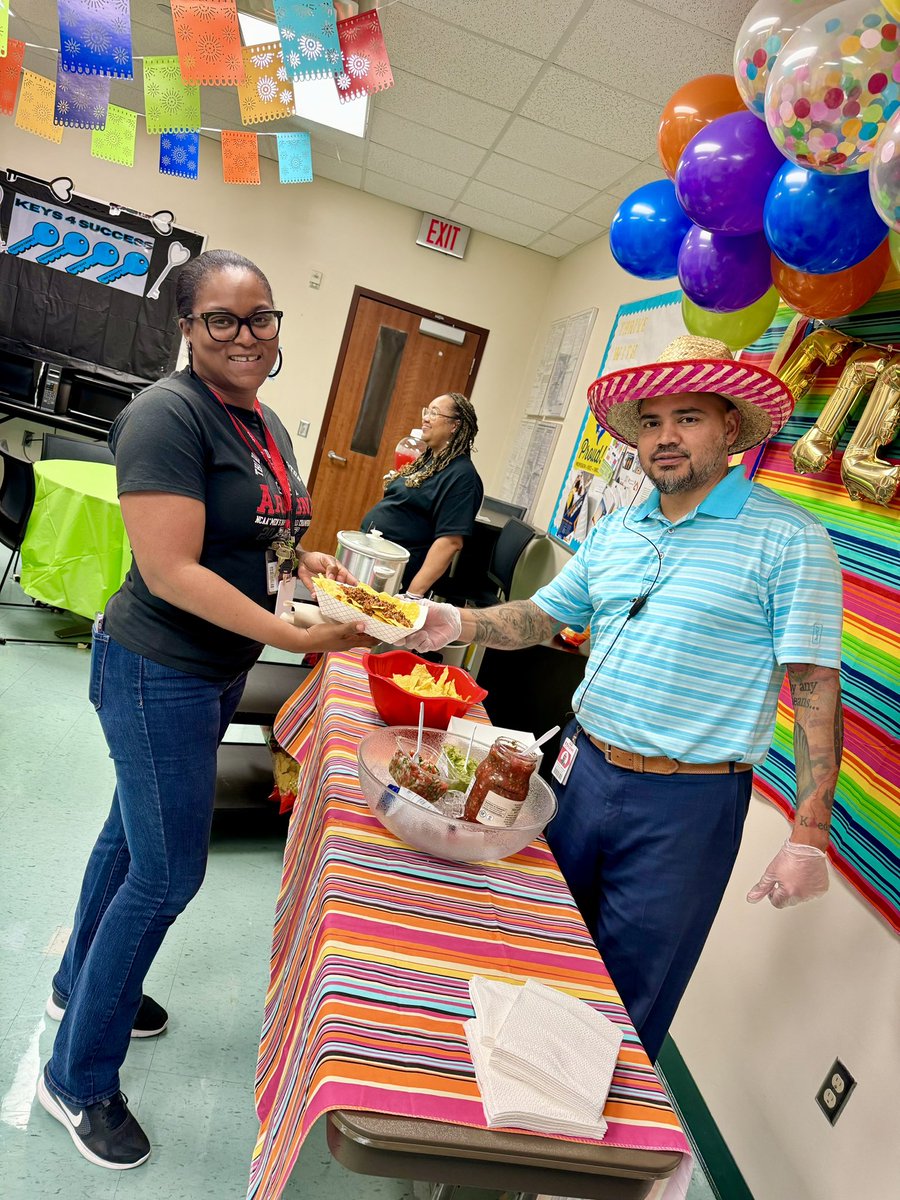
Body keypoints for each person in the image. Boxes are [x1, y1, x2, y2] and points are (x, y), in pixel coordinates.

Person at [398, 335, 844, 1062]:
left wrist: (809, 834)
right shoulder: (617, 530)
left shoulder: (788, 540)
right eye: (650, 421)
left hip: (687, 806)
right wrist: (454, 621)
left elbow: (815, 689)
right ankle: (509, 1106)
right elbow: (543, 616)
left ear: (730, 428)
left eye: (688, 417)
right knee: (540, 943)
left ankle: (573, 1163)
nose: (665, 437)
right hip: (581, 774)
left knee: (625, 995)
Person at [37, 249, 375, 1169]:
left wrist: (314, 568)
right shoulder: (165, 415)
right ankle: (75, 1079)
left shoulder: (265, 424)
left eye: (259, 316)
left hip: (216, 668)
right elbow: (170, 570)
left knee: (128, 836)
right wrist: (290, 633)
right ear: (188, 327)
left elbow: (270, 532)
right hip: (157, 667)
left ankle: (81, 986)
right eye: (220, 319)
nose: (245, 334)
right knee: (168, 873)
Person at [361, 392, 482, 595]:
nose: (425, 418)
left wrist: (412, 595)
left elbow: (450, 542)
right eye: (427, 411)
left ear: (455, 425)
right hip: (377, 560)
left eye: (434, 413)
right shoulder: (427, 461)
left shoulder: (462, 476)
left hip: (397, 578)